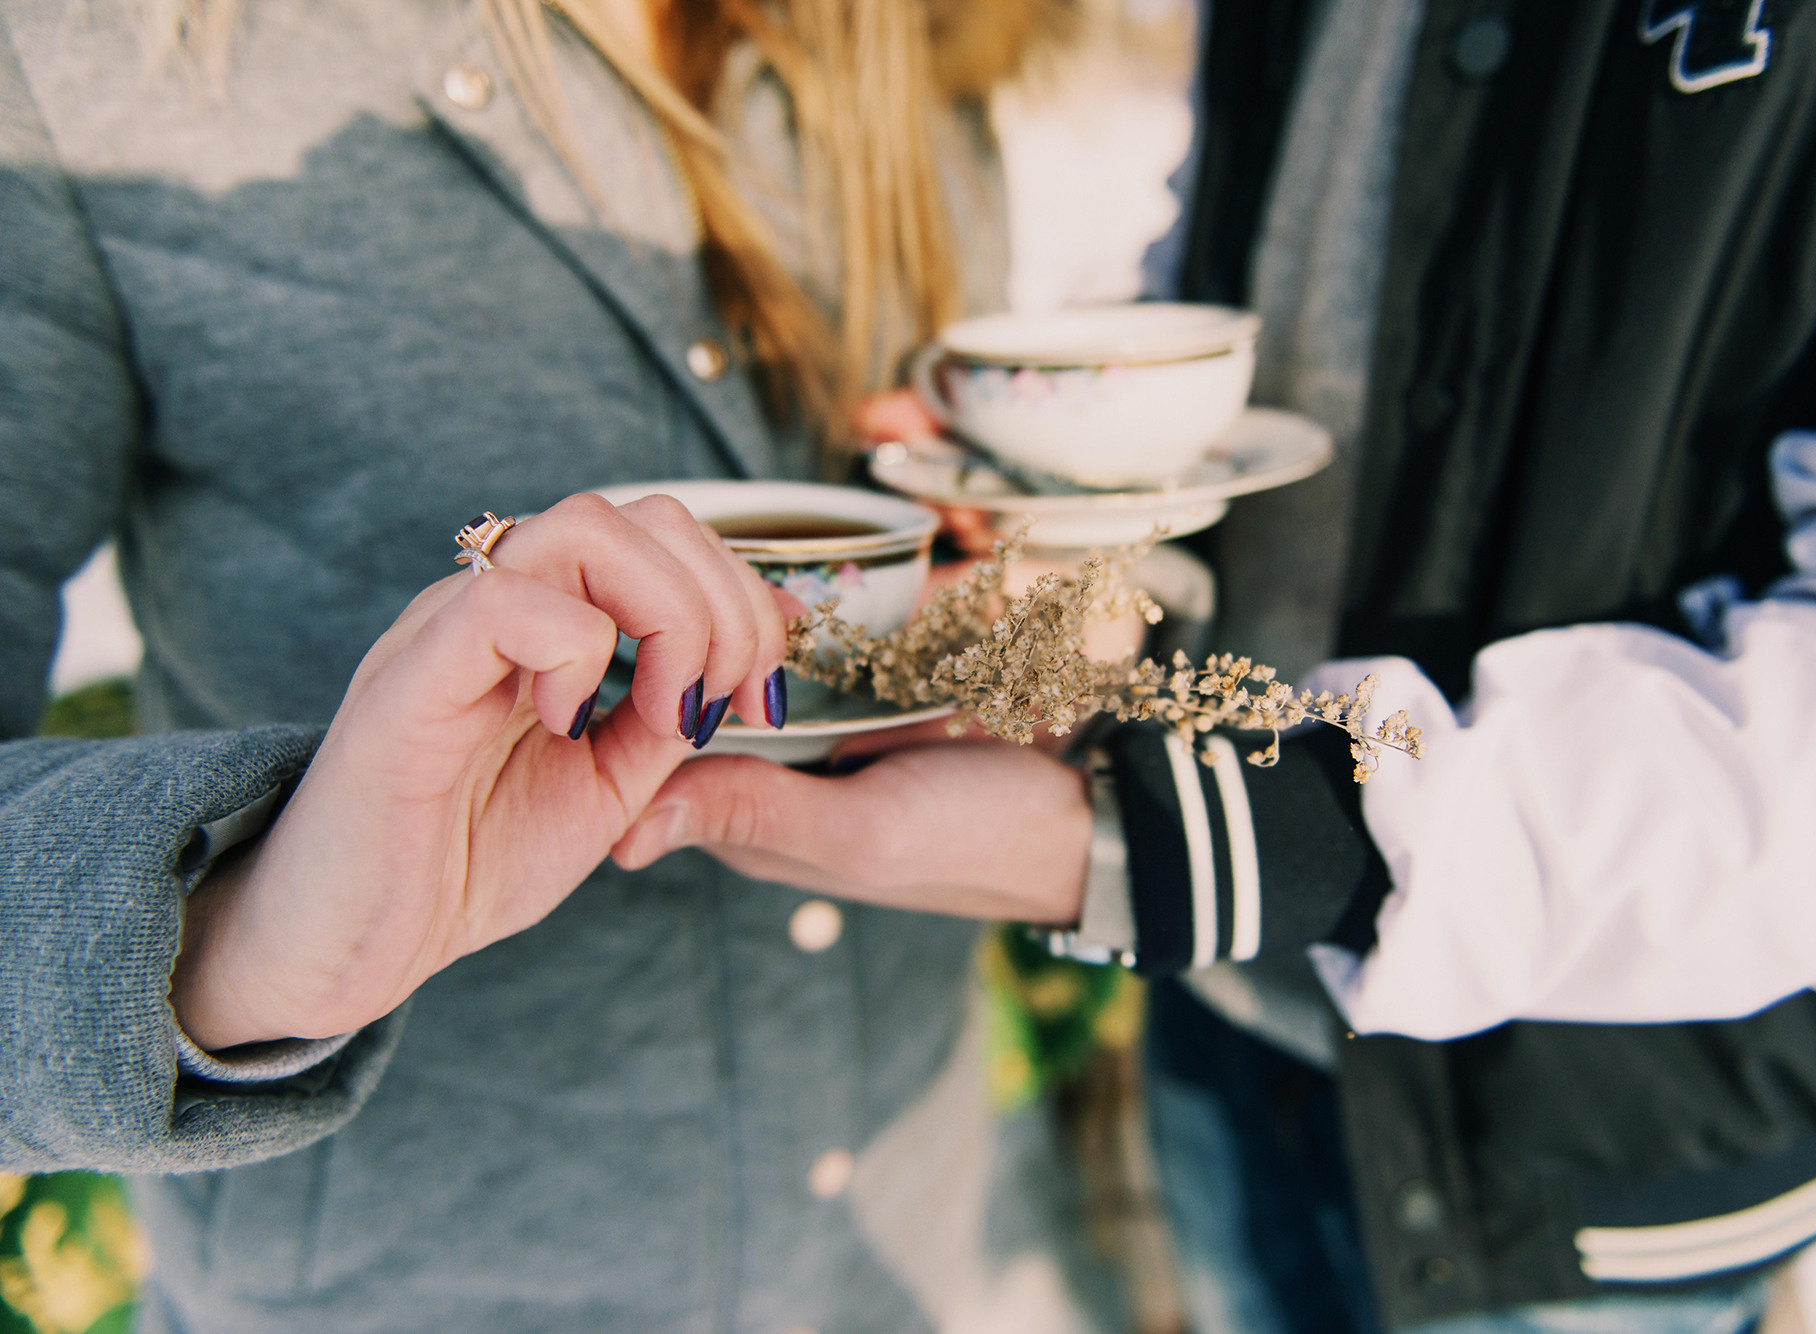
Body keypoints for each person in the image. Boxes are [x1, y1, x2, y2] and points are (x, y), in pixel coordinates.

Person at [649, 0, 1816, 1329]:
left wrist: (1223, 844)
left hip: (1584, 1135)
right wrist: (1079, 515)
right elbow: (1285, 260)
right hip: (1227, 1030)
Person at [0, 2, 1107, 1331]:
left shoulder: (910, 41)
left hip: (935, 1235)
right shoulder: (88, 64)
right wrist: (247, 938)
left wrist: (1016, 597)